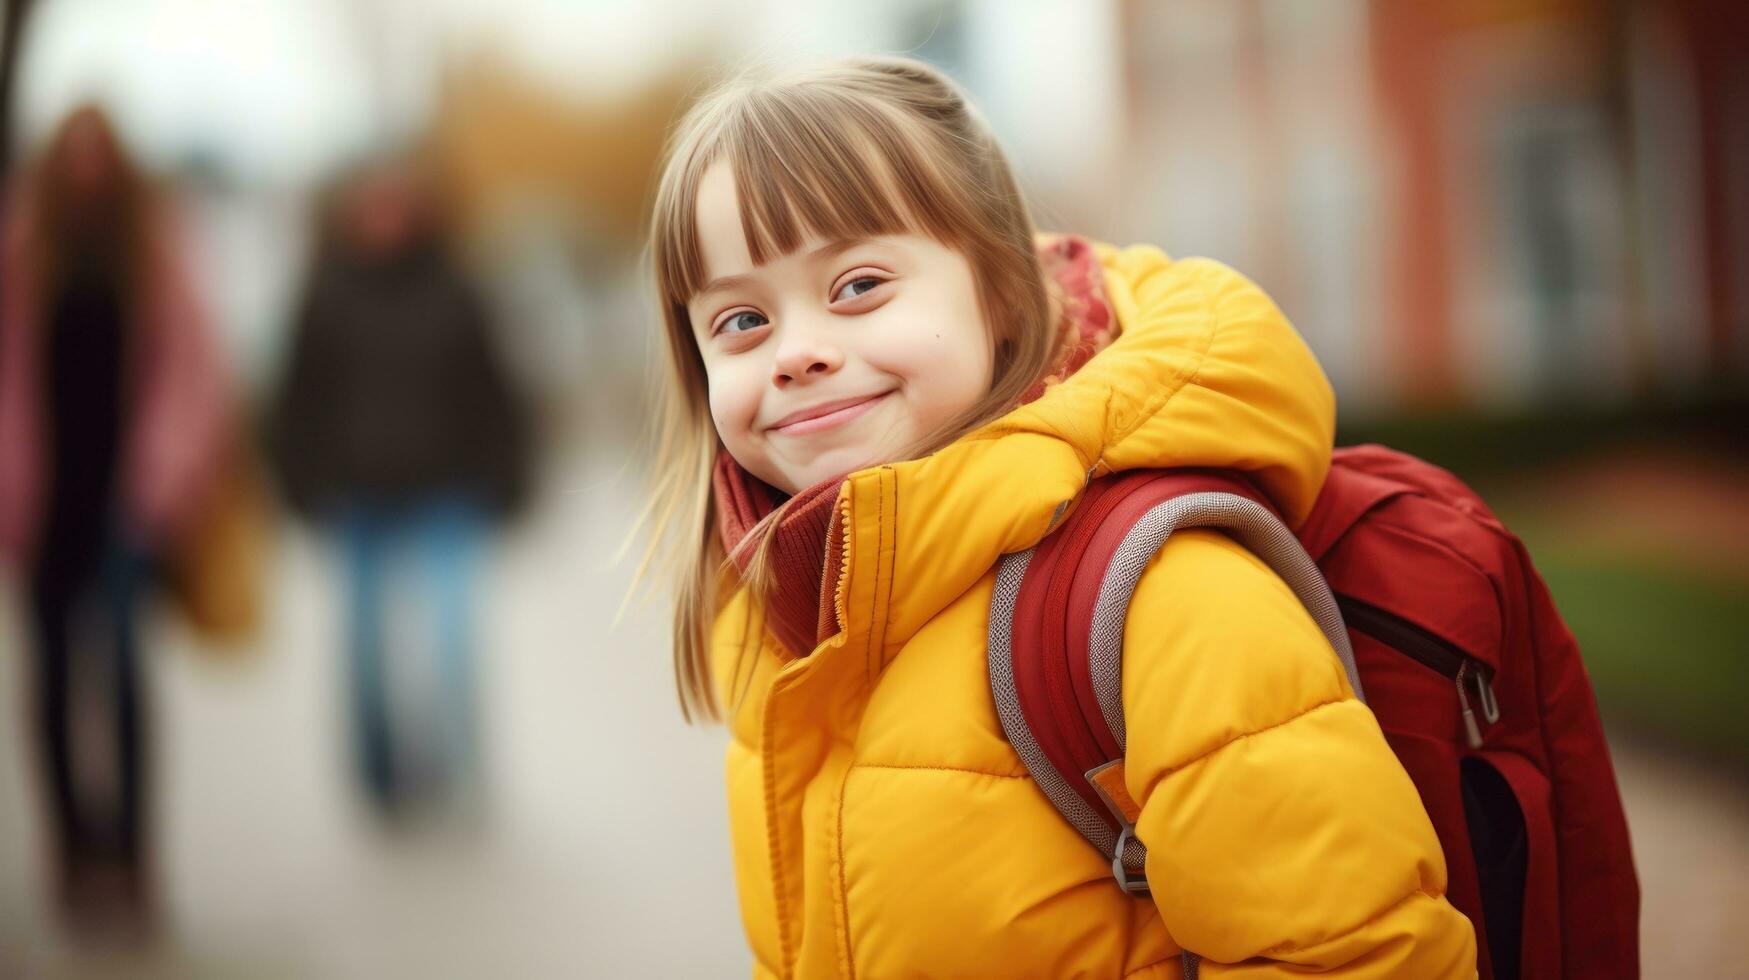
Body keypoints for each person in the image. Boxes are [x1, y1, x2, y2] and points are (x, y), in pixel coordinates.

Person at [635, 57, 1478, 977]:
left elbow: (1351, 956)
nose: (796, 352)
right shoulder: (782, 618)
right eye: (742, 321)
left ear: (1000, 291)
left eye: (858, 286)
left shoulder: (1157, 597)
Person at [0, 105, 231, 934]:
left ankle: (132, 860)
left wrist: (168, 472)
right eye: (76, 154)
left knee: (127, 675)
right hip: (41, 501)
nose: (90, 169)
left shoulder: (156, 252)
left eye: (103, 153)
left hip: (130, 501)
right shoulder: (23, 249)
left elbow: (198, 370)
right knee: (53, 679)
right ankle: (71, 853)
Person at [269, 161, 529, 821]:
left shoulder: (457, 291)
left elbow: (498, 393)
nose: (384, 220)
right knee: (364, 654)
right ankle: (381, 780)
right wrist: (297, 483)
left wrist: (509, 479)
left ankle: (457, 775)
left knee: (452, 644)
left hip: (446, 494)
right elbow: (295, 400)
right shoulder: (326, 295)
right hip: (357, 498)